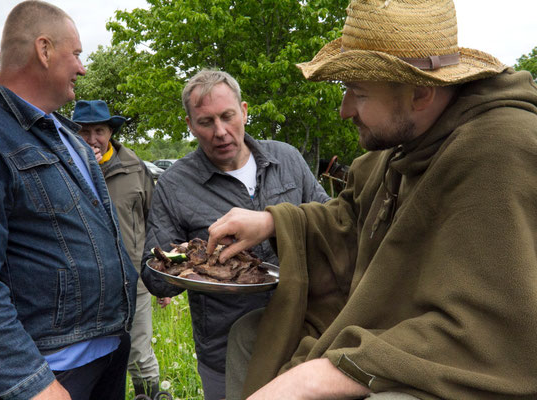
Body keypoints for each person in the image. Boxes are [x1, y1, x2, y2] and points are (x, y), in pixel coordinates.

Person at [207, 0, 537, 399]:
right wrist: (273, 223)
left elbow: (491, 332)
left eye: (358, 92)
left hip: (458, 358)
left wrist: (315, 378)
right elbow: (353, 219)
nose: (345, 110)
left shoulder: (498, 150)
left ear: (420, 94)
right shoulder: (401, 143)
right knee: (250, 335)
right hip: (390, 325)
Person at [0, 2, 138, 399]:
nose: (83, 68)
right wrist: (29, 382)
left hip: (111, 353)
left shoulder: (66, 135)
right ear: (44, 50)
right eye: (77, 54)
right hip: (54, 374)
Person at [140, 69, 331, 399]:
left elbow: (332, 222)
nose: (220, 132)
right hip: (225, 351)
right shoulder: (174, 185)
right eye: (205, 122)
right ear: (190, 124)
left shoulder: (286, 159)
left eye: (228, 117)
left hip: (303, 337)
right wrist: (185, 257)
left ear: (243, 111)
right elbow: (153, 277)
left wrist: (277, 224)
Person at [72, 99, 166, 397]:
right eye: (83, 132)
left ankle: (150, 396)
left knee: (140, 356)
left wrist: (161, 278)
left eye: (98, 130)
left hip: (133, 281)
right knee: (90, 358)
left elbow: (154, 221)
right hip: (83, 286)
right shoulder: (61, 168)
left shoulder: (135, 167)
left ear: (111, 131)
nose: (91, 139)